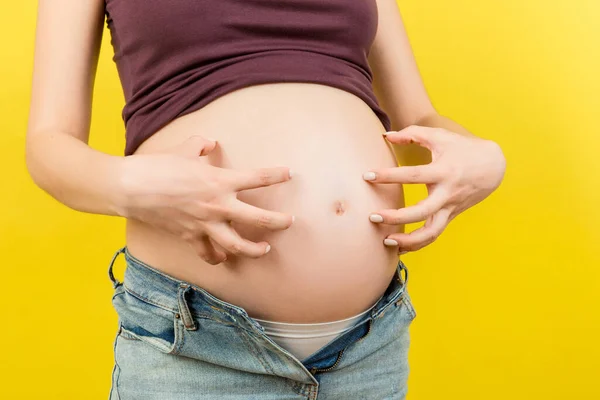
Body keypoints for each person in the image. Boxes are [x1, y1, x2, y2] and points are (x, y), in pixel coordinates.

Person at [25, 1, 506, 399]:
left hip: (368, 346)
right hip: (198, 348)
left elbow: (418, 114)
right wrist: (132, 185)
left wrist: (484, 159)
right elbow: (48, 145)